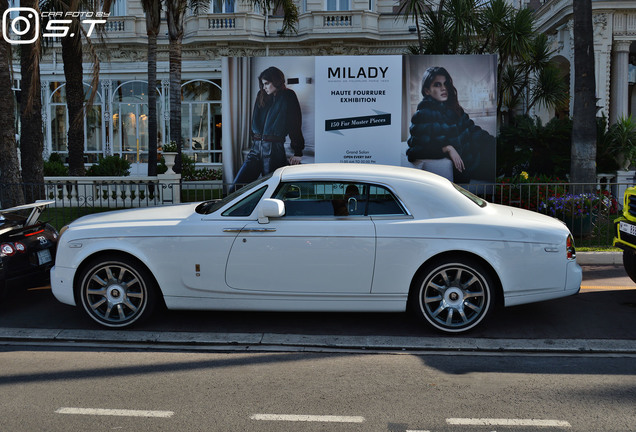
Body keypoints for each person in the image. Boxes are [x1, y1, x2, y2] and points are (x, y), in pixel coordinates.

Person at [406, 66, 495, 183]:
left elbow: (473, 130)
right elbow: (414, 151)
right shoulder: (423, 114)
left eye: (445, 84)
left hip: (476, 154)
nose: (444, 88)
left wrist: (494, 143)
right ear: (427, 90)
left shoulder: (453, 108)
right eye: (437, 85)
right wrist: (447, 148)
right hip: (466, 165)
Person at [233, 66, 304, 188]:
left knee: (271, 188)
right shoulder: (261, 95)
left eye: (266, 83)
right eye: (262, 84)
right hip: (255, 150)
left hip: (274, 150)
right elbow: (254, 120)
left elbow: (295, 124)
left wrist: (298, 151)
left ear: (276, 81)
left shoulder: (288, 96)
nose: (264, 87)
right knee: (235, 187)